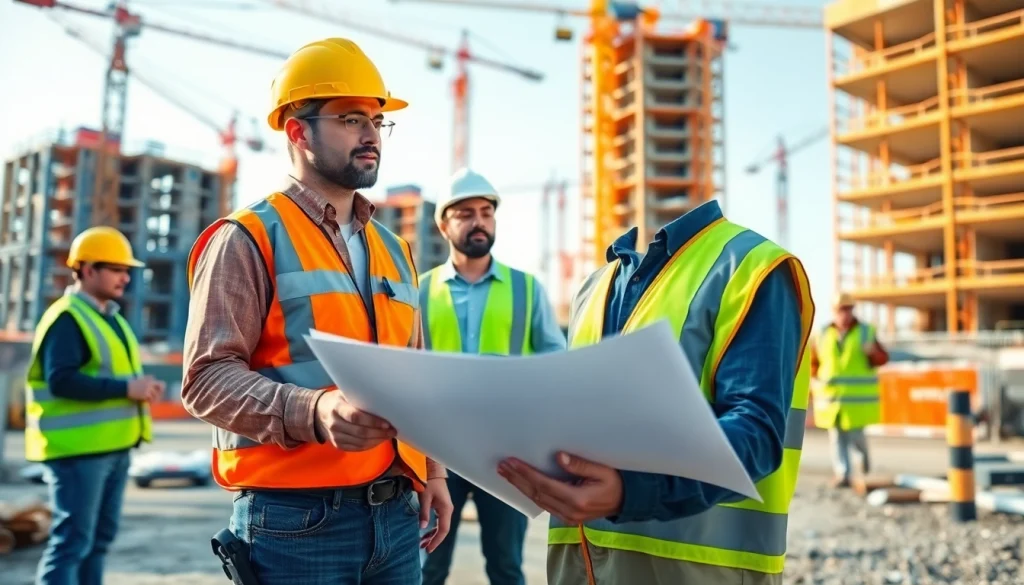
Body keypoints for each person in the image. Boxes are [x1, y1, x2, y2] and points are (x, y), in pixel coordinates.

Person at [182, 37, 453, 585]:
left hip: (398, 515)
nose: (371, 133)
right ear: (297, 131)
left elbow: (414, 373)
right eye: (351, 118)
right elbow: (205, 379)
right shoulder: (247, 238)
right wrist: (315, 412)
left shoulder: (396, 249)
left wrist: (434, 473)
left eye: (378, 120)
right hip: (294, 522)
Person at [495, 200, 816, 584]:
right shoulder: (593, 287)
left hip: (699, 570)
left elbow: (756, 432)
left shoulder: (751, 268)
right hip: (579, 566)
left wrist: (631, 491)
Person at [419, 168, 567, 585]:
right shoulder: (418, 290)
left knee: (506, 567)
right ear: (444, 224)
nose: (479, 220)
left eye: (486, 212)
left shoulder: (527, 289)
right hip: (437, 455)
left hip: (508, 455)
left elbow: (557, 363)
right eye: (465, 213)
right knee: (427, 567)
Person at [26, 226, 164, 585]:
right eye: (117, 269)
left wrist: (140, 388)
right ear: (87, 269)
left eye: (127, 269)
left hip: (113, 446)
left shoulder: (111, 317)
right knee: (72, 543)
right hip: (79, 452)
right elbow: (62, 380)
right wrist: (126, 388)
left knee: (97, 542)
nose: (126, 277)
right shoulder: (67, 318)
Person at [810, 292, 889, 488]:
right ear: (834, 311)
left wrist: (873, 353)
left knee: (855, 436)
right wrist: (815, 381)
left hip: (856, 402)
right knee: (836, 438)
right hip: (831, 399)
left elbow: (882, 359)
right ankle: (843, 474)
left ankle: (863, 457)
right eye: (841, 310)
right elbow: (813, 363)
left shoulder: (865, 332)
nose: (844, 314)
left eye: (848, 309)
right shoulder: (822, 333)